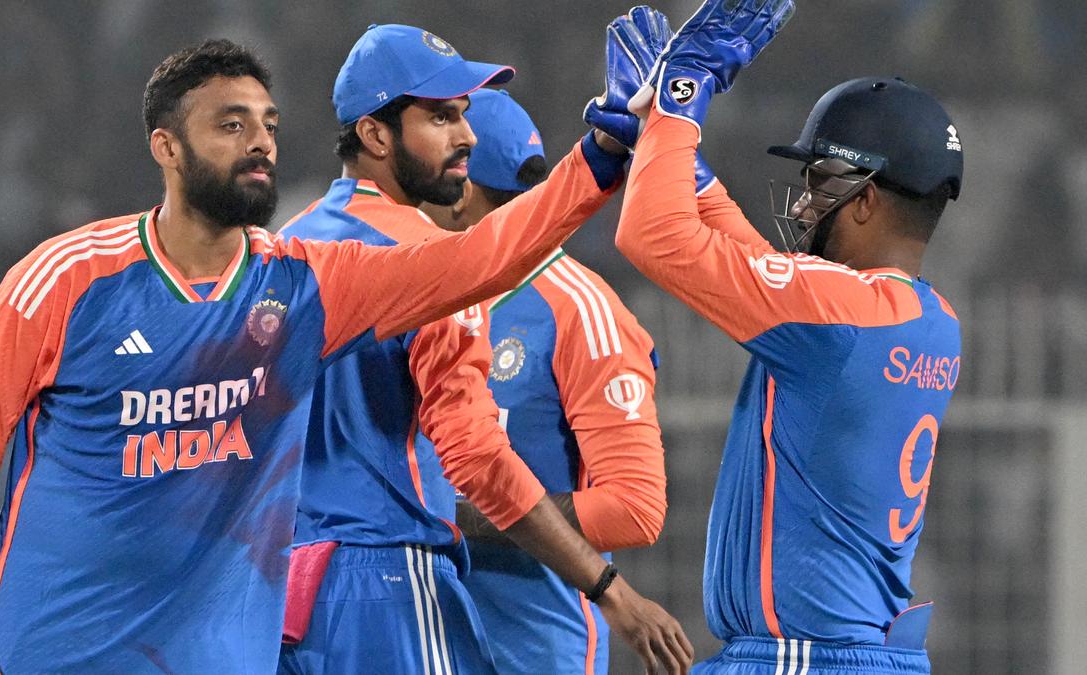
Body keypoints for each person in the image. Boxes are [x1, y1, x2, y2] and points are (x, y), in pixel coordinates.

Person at [0, 38, 644, 675]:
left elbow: (476, 260)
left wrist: (600, 159)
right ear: (166, 147)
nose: (260, 142)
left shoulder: (304, 284)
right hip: (63, 647)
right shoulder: (65, 279)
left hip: (221, 654)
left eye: (268, 125)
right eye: (231, 125)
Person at [276, 25, 689, 675]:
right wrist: (608, 587)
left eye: (463, 117)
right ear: (376, 135)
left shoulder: (287, 248)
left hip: (288, 596)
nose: (465, 136)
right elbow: (476, 457)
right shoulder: (429, 263)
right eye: (442, 118)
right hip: (393, 584)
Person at [589, 2, 963, 673]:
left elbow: (653, 235)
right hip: (859, 656)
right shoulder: (928, 319)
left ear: (866, 201)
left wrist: (685, 85)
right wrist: (661, 134)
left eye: (818, 181)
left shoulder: (837, 314)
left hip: (800, 657)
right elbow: (749, 262)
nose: (801, 203)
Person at [420, 88, 668, 675]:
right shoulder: (424, 294)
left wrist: (441, 519)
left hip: (529, 654)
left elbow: (635, 509)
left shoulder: (579, 309)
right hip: (417, 640)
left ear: (462, 190)